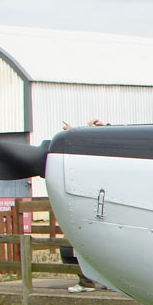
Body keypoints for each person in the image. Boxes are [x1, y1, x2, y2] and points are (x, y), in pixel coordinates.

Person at [60, 118, 105, 292]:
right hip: (94, 204)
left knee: (84, 244)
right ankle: (91, 281)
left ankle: (88, 282)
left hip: (93, 205)